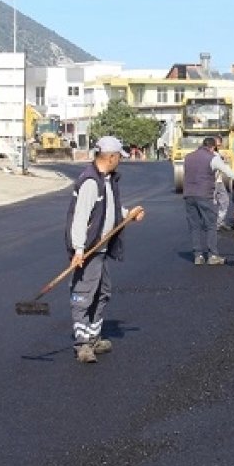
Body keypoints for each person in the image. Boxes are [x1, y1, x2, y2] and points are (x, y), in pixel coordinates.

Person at [65, 136, 145, 364]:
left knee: (102, 293)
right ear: (110, 157)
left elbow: (109, 209)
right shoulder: (91, 182)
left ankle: (93, 337)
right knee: (83, 295)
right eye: (119, 156)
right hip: (89, 250)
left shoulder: (105, 179)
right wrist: (79, 250)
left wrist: (128, 214)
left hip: (100, 250)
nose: (120, 160)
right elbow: (80, 218)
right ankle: (82, 345)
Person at [183, 136, 234, 265]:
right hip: (204, 195)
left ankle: (198, 255)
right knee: (210, 225)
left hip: (189, 195)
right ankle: (213, 255)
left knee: (194, 226)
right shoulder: (213, 158)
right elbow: (229, 173)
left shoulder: (188, 157)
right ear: (213, 147)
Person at [212, 136, 234, 232]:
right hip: (212, 183)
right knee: (212, 203)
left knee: (224, 201)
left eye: (219, 144)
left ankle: (219, 222)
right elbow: (226, 170)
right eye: (216, 144)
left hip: (219, 181)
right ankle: (213, 224)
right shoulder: (211, 155)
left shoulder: (217, 154)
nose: (217, 145)